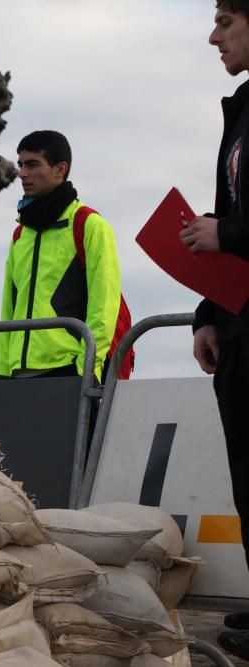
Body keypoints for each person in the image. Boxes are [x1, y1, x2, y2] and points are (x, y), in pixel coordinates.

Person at [180, 2, 249, 657]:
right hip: (240, 328)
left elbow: (231, 227)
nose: (213, 35)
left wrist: (223, 231)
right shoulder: (241, 112)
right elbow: (229, 221)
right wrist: (208, 314)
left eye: (226, 20)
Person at [0, 130, 123, 383]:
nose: (22, 173)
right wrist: (1, 370)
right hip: (16, 375)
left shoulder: (89, 224)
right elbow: (9, 309)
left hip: (69, 369)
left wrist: (89, 369)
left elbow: (104, 305)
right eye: (21, 164)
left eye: (32, 164)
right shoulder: (20, 234)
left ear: (60, 169)